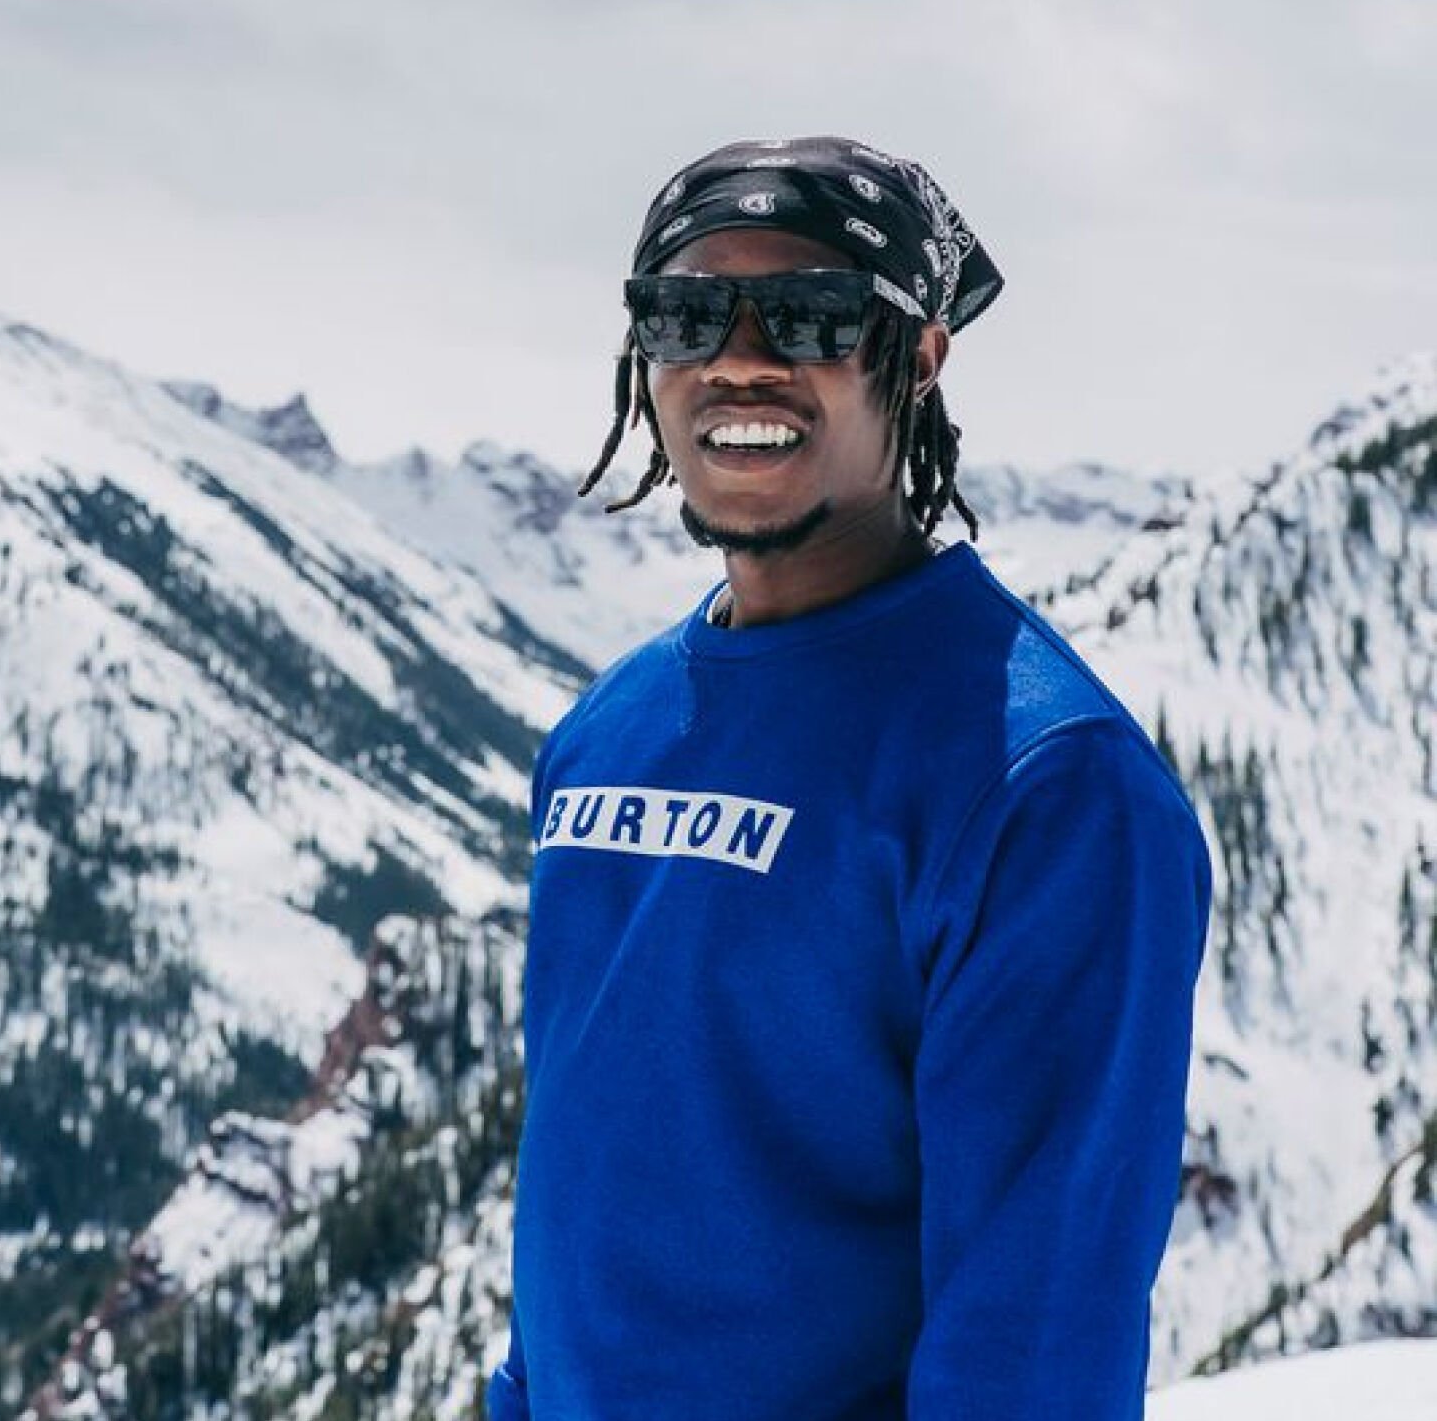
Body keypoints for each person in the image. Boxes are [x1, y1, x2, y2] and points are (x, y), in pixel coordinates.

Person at [485, 136, 1211, 1421]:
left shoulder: (1049, 788)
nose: (743, 357)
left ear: (920, 357)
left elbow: (1035, 1338)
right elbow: (580, 1189)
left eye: (817, 315)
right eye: (687, 311)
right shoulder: (602, 735)